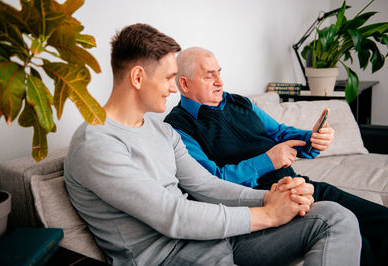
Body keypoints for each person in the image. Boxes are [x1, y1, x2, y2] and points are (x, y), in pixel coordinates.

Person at [64, 24, 361, 266]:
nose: (173, 87)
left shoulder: (161, 132)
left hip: (217, 240)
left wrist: (271, 197)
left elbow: (207, 186)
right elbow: (173, 217)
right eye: (169, 77)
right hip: (172, 258)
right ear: (138, 77)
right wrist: (268, 214)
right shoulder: (97, 144)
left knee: (334, 217)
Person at [164, 46, 388, 266]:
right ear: (184, 84)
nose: (220, 82)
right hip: (264, 205)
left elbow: (279, 132)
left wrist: (312, 138)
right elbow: (209, 183)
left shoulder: (240, 102)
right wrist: (268, 160)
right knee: (360, 241)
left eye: (219, 73)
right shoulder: (178, 128)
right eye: (208, 76)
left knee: (381, 220)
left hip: (300, 185)